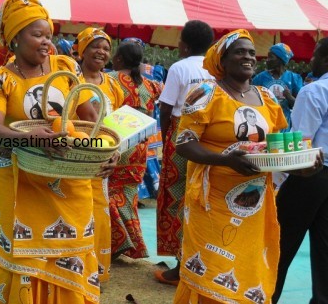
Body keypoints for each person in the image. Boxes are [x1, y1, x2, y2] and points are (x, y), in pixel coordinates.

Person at [0, 0, 117, 304]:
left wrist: (106, 150)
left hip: (69, 182)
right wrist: (35, 138)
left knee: (70, 255)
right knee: (25, 260)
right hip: (21, 184)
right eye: (37, 35)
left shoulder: (66, 69)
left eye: (49, 34)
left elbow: (90, 121)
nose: (46, 42)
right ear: (15, 38)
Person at [172, 29, 291, 303]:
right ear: (222, 61)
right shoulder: (205, 93)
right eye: (240, 51)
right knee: (211, 270)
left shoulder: (268, 99)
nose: (248, 56)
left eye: (251, 52)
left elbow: (279, 145)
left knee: (244, 273)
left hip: (254, 206)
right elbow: (184, 143)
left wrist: (303, 164)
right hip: (211, 202)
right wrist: (226, 160)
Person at [154, 20, 215, 285]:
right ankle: (201, 264)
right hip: (210, 138)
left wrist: (166, 135)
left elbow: (166, 108)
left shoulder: (179, 67)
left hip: (181, 135)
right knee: (203, 196)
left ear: (186, 44)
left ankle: (180, 266)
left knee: (176, 196)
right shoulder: (216, 68)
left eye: (179, 40)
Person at [272, 38, 328, 304]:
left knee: (279, 243)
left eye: (316, 55)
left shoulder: (314, 91)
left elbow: (301, 144)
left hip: (310, 174)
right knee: (325, 249)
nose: (311, 60)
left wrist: (279, 178)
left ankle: (264, 297)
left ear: (326, 60)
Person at [106, 41, 161, 261]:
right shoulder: (150, 86)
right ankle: (130, 242)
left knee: (109, 193)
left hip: (117, 145)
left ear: (118, 59)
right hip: (139, 149)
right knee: (128, 196)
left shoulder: (110, 80)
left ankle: (118, 241)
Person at [77, 27, 124, 284]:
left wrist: (115, 151)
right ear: (82, 49)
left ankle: (95, 272)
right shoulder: (69, 79)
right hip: (73, 156)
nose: (101, 52)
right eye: (95, 46)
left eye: (106, 48)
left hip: (102, 159)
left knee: (98, 213)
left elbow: (118, 123)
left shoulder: (112, 84)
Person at [252, 43, 302, 132]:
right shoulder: (259, 78)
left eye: (271, 57)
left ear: (281, 59)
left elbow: (301, 106)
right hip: (265, 125)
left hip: (285, 127)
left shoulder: (293, 78)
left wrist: (289, 97)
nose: (267, 60)